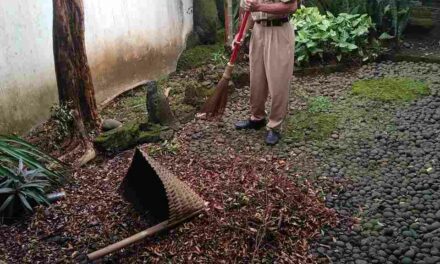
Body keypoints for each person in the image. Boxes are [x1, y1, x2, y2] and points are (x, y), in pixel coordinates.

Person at [234, 0, 297, 146]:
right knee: (257, 79)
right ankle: (257, 118)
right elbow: (249, 12)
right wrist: (241, 34)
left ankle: (275, 126)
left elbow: (291, 6)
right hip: (258, 32)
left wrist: (260, 6)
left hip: (279, 30)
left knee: (278, 82)